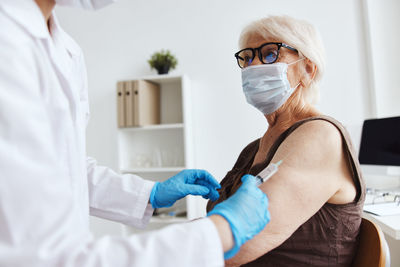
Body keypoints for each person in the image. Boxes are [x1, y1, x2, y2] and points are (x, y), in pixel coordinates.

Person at [0, 0, 271, 266]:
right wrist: (219, 233)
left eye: (270, 55)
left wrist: (149, 193)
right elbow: (38, 255)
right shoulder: (8, 43)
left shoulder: (66, 50)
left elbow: (62, 168)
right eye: (247, 58)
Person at [207, 15, 366, 266]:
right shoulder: (253, 149)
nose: (254, 66)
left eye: (270, 54)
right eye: (247, 58)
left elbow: (241, 243)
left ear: (308, 69)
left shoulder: (321, 136)